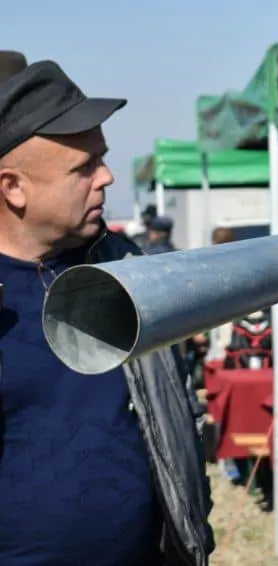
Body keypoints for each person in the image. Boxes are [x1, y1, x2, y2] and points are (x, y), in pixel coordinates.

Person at [0, 60, 213, 564]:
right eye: (83, 167)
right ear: (13, 187)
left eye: (103, 158)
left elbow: (175, 417)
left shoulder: (128, 271)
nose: (107, 177)